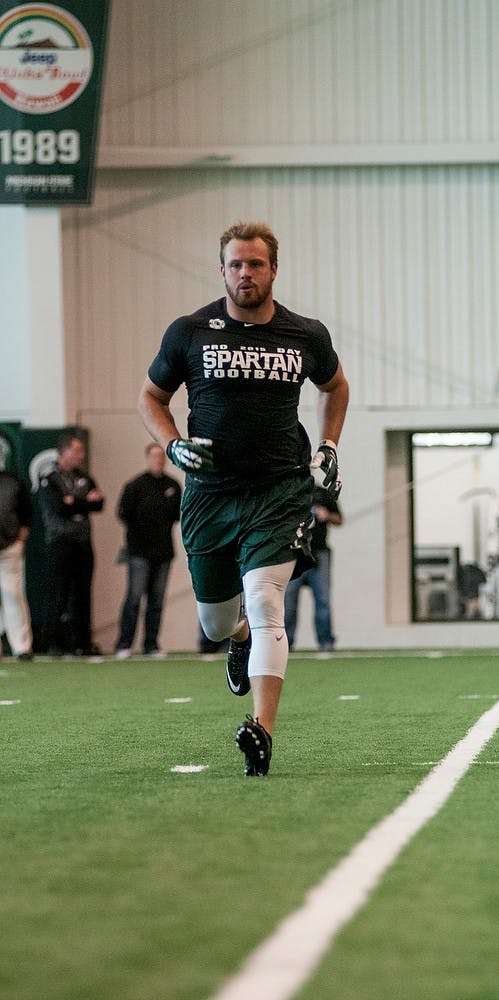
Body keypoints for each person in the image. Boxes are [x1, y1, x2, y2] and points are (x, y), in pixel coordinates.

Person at [138, 220, 349, 775]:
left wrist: (328, 446)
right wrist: (174, 445)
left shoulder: (305, 334)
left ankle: (262, 729)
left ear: (273, 269)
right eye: (236, 264)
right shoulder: (189, 332)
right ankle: (238, 640)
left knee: (265, 599)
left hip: (280, 488)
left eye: (256, 264)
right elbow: (150, 398)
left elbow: (336, 386)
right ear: (221, 269)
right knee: (216, 622)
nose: (245, 273)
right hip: (210, 495)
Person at [38, 432, 105, 656]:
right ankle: (52, 643)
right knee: (57, 593)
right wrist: (83, 502)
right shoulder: (49, 478)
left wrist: (74, 502)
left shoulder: (84, 477)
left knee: (83, 594)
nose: (80, 456)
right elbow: (59, 507)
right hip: (60, 543)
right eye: (76, 451)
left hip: (83, 543)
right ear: (63, 452)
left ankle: (82, 643)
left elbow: (99, 504)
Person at [115, 443, 182, 659]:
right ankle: (124, 644)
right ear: (147, 458)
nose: (158, 461)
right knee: (134, 598)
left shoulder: (173, 485)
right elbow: (123, 514)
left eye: (161, 457)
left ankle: (151, 644)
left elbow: (175, 516)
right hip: (139, 552)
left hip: (163, 552)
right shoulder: (135, 486)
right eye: (154, 457)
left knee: (157, 600)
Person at [284, 485, 342, 650]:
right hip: (294, 554)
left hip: (319, 553)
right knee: (289, 600)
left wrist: (327, 515)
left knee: (322, 599)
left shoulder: (322, 494)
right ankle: (286, 643)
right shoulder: (289, 493)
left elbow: (339, 519)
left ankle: (326, 642)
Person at [0, 466, 33, 660]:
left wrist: (21, 537)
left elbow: (26, 512)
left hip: (10, 546)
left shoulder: (13, 481)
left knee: (12, 594)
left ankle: (22, 647)